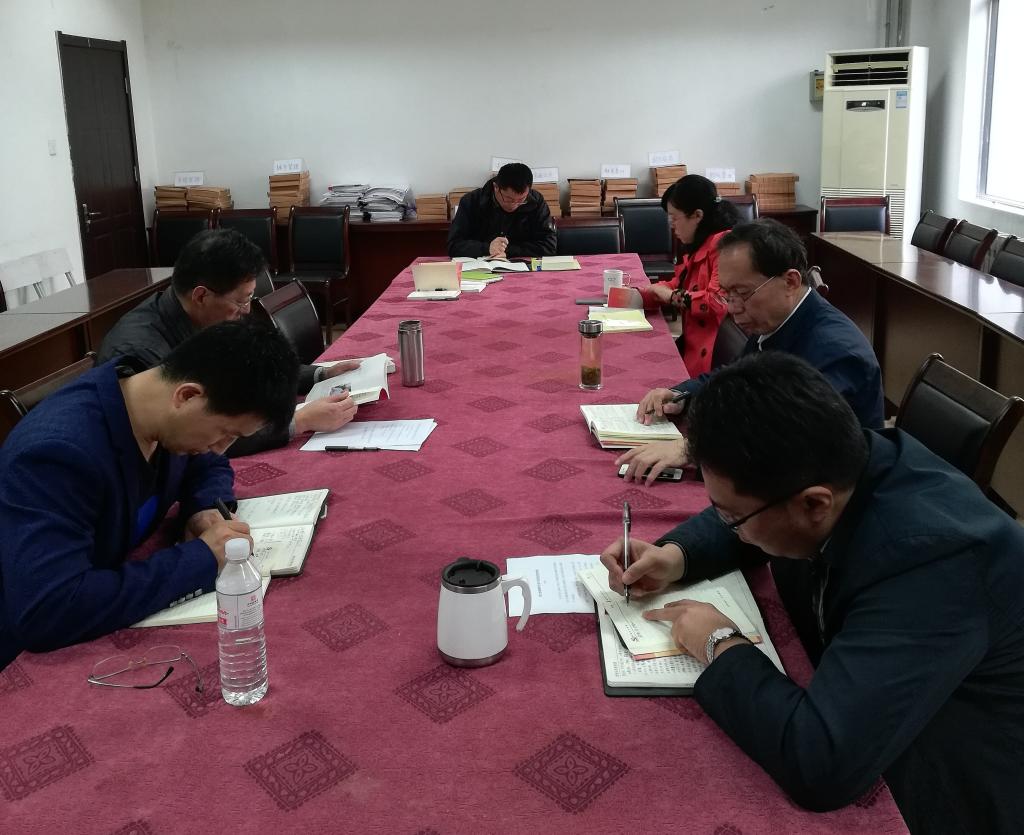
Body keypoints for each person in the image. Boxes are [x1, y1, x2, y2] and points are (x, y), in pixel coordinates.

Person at [600, 352, 1024, 834]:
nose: (727, 525)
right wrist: (676, 555)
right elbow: (755, 505)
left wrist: (720, 643)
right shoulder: (841, 458)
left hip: (951, 778)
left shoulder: (934, 563)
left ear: (815, 504)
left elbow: (820, 763)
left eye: (730, 518)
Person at [0, 320, 301, 671]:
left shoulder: (155, 401)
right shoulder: (56, 455)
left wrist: (203, 508)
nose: (222, 448)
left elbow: (207, 465)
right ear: (187, 396)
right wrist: (201, 559)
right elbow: (49, 609)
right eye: (225, 433)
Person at [620, 219, 883, 484]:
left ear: (790, 281)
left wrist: (694, 449)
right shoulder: (777, 318)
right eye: (727, 294)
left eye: (741, 293)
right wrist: (681, 395)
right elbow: (735, 374)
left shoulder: (837, 352)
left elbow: (792, 440)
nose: (732, 308)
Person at [98, 228, 360, 456]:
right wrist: (299, 420)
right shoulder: (139, 353)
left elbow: (251, 369)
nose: (246, 311)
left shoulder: (204, 317)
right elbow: (202, 436)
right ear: (201, 296)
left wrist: (321, 374)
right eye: (242, 301)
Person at [646, 175, 739, 376]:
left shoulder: (724, 245)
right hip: (693, 347)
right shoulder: (702, 242)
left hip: (713, 361)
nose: (671, 225)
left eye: (674, 218)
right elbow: (680, 283)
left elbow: (717, 302)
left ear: (697, 215)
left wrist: (671, 296)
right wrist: (644, 294)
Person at [447, 162, 557, 259]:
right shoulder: (471, 201)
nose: (514, 205)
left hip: (523, 268)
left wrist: (508, 251)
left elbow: (549, 246)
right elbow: (454, 245)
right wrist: (487, 248)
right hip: (481, 268)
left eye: (521, 200)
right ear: (496, 187)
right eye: (508, 199)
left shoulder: (536, 202)